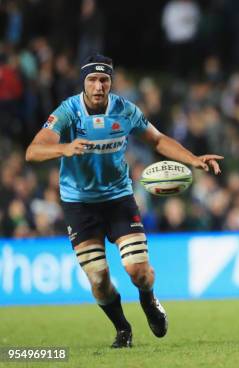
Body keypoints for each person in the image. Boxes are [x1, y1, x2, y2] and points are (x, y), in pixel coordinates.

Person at [25, 54, 223, 348]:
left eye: (104, 79)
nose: (98, 86)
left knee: (138, 272)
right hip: (79, 204)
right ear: (84, 82)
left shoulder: (125, 110)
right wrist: (64, 148)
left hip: (118, 198)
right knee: (98, 280)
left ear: (111, 82)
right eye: (92, 79)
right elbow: (33, 151)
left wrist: (193, 159)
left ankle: (149, 300)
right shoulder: (67, 112)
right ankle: (123, 329)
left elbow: (156, 140)